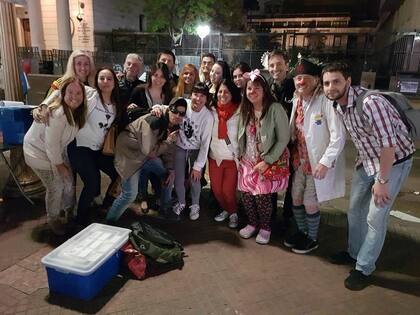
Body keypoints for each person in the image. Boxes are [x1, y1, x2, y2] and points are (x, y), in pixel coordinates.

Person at [322, 62, 415, 290]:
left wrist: (382, 182)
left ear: (348, 81)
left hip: (394, 162)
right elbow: (362, 136)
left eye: (336, 81)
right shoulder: (337, 105)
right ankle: (354, 253)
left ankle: (364, 267)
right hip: (367, 161)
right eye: (326, 83)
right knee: (354, 210)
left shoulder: (371, 103)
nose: (331, 87)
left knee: (375, 218)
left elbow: (388, 144)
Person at [284, 58, 346, 254]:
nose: (300, 82)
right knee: (295, 198)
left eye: (305, 78)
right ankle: (302, 232)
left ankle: (312, 238)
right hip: (298, 161)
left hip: (316, 162)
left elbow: (338, 136)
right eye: (298, 78)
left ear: (316, 80)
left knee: (310, 203)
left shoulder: (324, 102)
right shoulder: (297, 99)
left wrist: (325, 162)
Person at [106, 98, 187, 223]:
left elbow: (168, 151)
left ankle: (165, 208)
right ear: (169, 109)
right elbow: (149, 151)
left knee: (168, 174)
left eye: (182, 114)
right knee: (129, 194)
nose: (178, 115)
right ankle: (109, 222)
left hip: (144, 156)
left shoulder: (173, 125)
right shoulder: (154, 120)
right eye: (175, 111)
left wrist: (170, 169)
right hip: (130, 156)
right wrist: (168, 141)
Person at [24, 78, 87, 235]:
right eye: (70, 92)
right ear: (63, 94)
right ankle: (53, 219)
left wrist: (61, 165)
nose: (75, 96)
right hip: (37, 152)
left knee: (68, 181)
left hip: (57, 150)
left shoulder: (78, 111)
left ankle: (69, 212)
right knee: (55, 187)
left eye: (79, 93)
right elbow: (51, 144)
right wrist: (59, 166)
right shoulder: (58, 114)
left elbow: (56, 145)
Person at [237, 69, 290, 245]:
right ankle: (252, 224)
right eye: (249, 88)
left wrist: (268, 161)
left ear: (265, 89)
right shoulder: (245, 109)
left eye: (257, 87)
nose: (252, 91)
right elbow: (241, 135)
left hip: (267, 161)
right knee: (246, 195)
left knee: (262, 197)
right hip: (247, 160)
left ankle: (265, 228)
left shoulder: (275, 109)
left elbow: (284, 138)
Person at [171, 83, 214, 220]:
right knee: (178, 178)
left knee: (195, 178)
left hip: (196, 149)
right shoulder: (185, 103)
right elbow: (169, 109)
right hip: (180, 146)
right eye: (196, 94)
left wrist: (198, 166)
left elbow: (205, 143)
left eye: (202, 96)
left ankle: (195, 205)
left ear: (206, 99)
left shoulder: (208, 117)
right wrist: (158, 107)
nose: (198, 99)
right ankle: (182, 202)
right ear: (191, 95)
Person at [267, 50, 296, 228]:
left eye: (279, 64)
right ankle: (269, 216)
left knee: (291, 182)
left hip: (293, 143)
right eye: (272, 65)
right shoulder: (268, 86)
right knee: (271, 178)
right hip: (272, 142)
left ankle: (288, 218)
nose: (275, 68)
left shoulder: (295, 87)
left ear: (287, 65)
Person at [209, 79, 241, 228]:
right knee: (216, 190)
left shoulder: (240, 111)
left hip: (231, 159)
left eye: (226, 92)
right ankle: (226, 210)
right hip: (214, 157)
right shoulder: (212, 110)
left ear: (232, 93)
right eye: (220, 91)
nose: (223, 94)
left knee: (228, 191)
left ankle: (233, 212)